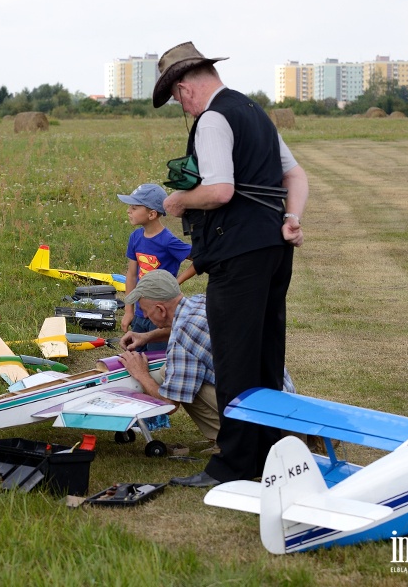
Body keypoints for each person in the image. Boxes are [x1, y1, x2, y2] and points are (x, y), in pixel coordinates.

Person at [153, 42, 310, 487]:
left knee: (236, 363)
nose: (180, 107)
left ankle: (235, 467)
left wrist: (179, 200)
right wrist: (292, 217)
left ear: (184, 88)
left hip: (238, 257)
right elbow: (295, 175)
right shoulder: (255, 112)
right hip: (274, 252)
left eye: (177, 99)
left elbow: (220, 190)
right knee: (265, 358)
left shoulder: (213, 118)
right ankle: (272, 456)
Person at [119, 269, 297, 450]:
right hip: (284, 404)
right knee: (174, 371)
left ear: (160, 309)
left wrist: (141, 374)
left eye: (146, 311)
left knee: (174, 377)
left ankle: (234, 438)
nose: (146, 316)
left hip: (269, 425)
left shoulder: (182, 337)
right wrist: (147, 337)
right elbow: (184, 329)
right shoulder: (200, 302)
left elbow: (169, 404)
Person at [117, 183, 192, 352]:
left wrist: (176, 282)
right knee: (135, 353)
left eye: (135, 207)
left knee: (158, 359)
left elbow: (201, 259)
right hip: (139, 312)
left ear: (151, 214)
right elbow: (131, 275)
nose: (129, 211)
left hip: (160, 315)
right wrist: (128, 310)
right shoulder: (135, 237)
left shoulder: (168, 241)